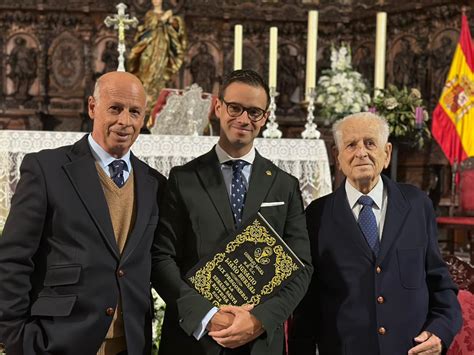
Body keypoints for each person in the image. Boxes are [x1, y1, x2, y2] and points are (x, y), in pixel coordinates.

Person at [0, 71, 167, 355]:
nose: (124, 121)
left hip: (130, 344)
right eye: (115, 108)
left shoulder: (155, 183)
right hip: (58, 340)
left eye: (134, 112)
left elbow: (156, 261)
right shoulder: (46, 169)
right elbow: (13, 259)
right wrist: (15, 336)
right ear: (93, 107)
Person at [151, 69, 313, 354]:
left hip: (259, 342)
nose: (243, 119)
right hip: (195, 342)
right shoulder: (183, 178)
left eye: (254, 112)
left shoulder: (284, 185)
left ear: (264, 117)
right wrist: (207, 316)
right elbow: (162, 257)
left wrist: (260, 319)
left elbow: (301, 266)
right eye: (235, 108)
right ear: (217, 107)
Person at [289, 112, 462, 355]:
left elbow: (441, 284)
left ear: (387, 153)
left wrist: (441, 331)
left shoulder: (417, 204)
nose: (361, 152)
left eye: (370, 143)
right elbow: (307, 304)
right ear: (337, 157)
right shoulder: (316, 215)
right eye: (351, 145)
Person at [128, 0, 187, 116]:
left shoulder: (168, 14)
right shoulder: (150, 13)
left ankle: (157, 98)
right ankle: (146, 94)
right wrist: (163, 19)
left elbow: (177, 30)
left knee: (160, 70)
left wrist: (172, 20)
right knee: (145, 67)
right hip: (149, 46)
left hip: (162, 46)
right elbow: (149, 26)